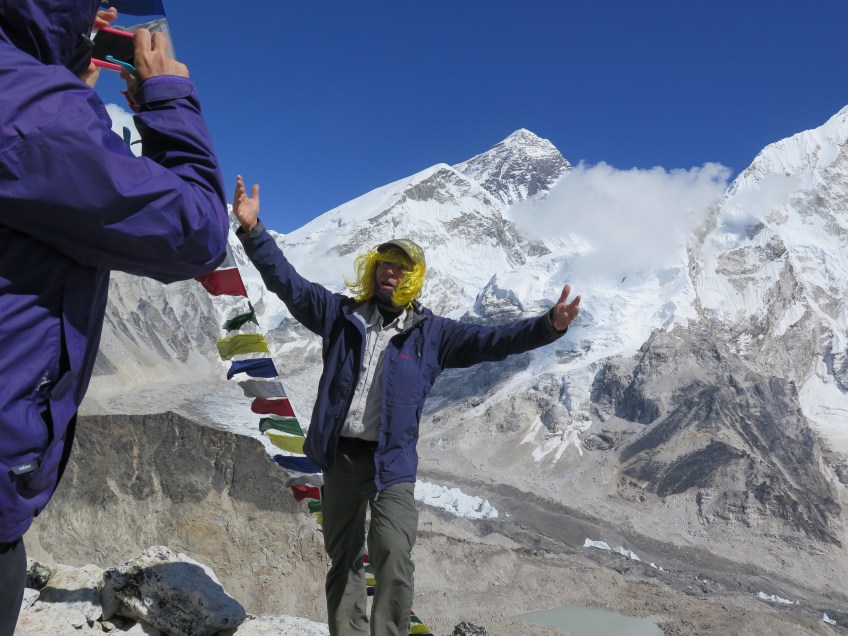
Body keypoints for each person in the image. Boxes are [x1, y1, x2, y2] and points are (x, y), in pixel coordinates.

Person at [232, 176, 581, 636]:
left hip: (391, 463)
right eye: (384, 265)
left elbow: (494, 340)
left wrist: (548, 327)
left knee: (393, 555)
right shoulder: (340, 315)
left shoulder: (434, 335)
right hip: (341, 459)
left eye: (399, 268)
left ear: (413, 277)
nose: (389, 273)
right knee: (343, 559)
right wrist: (254, 232)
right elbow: (289, 284)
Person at [0, 2, 230, 632]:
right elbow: (194, 231)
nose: (108, 8)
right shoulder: (31, 110)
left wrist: (61, 78)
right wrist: (167, 101)